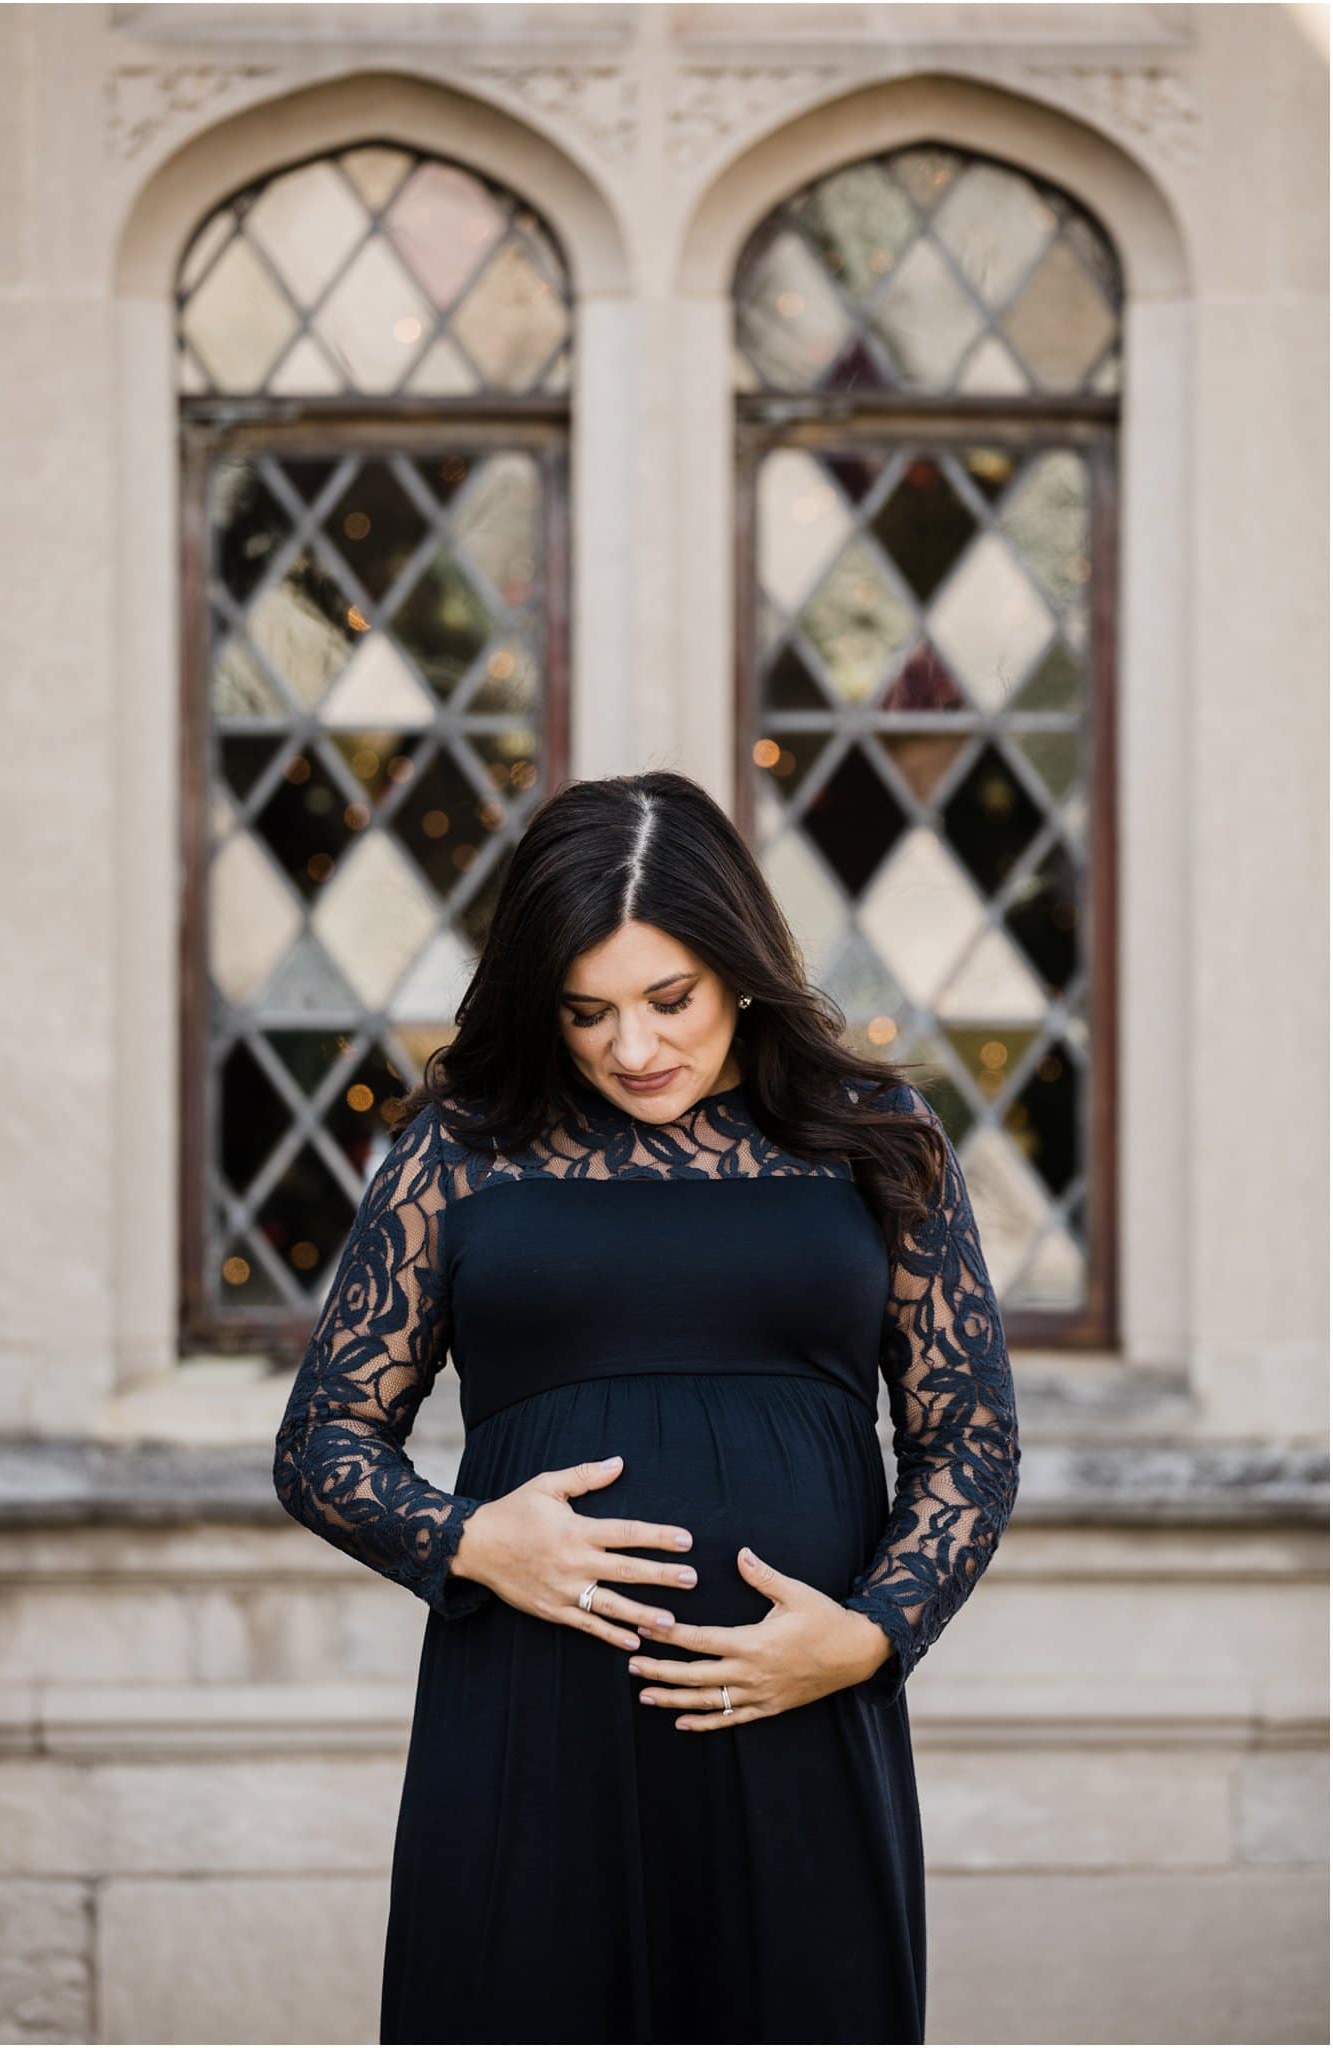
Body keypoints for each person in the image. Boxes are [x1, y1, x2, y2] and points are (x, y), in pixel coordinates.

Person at [272, 769, 1021, 2046]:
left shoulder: (875, 1139)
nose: (633, 1047)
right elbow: (321, 1440)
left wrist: (868, 1635)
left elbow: (967, 1438)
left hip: (796, 1719)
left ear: (738, 966)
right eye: (585, 1011)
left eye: (668, 999)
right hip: (528, 1720)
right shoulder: (463, 1150)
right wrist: (467, 1540)